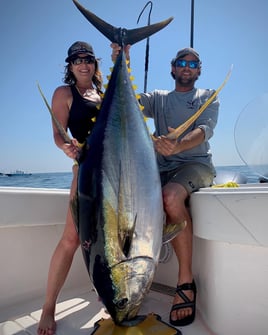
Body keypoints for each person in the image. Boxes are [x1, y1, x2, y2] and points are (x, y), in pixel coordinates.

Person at [111, 44, 219, 326]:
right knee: (125, 205)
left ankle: (185, 280)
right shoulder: (157, 98)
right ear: (172, 68)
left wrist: (178, 145)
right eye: (182, 62)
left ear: (199, 72)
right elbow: (128, 102)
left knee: (170, 197)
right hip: (158, 169)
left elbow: (203, 132)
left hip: (195, 166)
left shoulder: (207, 97)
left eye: (194, 64)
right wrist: (123, 60)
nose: (187, 67)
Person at [38, 41, 103, 335]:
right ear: (70, 66)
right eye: (77, 60)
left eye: (88, 59)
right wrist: (67, 148)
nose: (83, 64)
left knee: (109, 235)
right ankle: (48, 308)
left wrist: (122, 57)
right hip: (85, 168)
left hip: (114, 173)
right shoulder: (64, 93)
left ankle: (106, 289)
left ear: (94, 63)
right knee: (71, 238)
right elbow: (58, 132)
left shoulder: (105, 93)